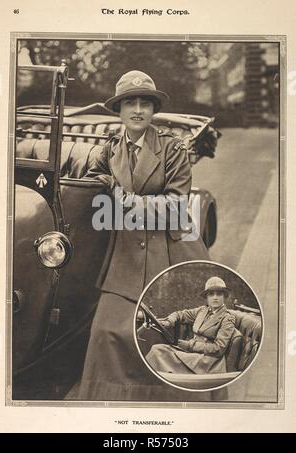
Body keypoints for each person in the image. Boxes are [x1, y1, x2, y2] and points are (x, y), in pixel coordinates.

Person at [78, 70, 213, 401]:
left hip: (171, 251)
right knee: (106, 332)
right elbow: (95, 190)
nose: (137, 110)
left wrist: (124, 200)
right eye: (129, 103)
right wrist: (102, 184)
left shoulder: (172, 149)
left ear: (153, 110)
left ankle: (174, 405)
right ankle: (112, 406)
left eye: (144, 103)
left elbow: (176, 208)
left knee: (174, 332)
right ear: (119, 110)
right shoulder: (108, 150)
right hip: (125, 255)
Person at [146, 277, 236, 375]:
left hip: (208, 361)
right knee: (157, 349)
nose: (215, 297)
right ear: (207, 297)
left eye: (219, 294)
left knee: (160, 355)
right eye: (211, 294)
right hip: (194, 353)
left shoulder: (227, 318)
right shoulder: (202, 311)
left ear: (224, 296)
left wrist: (189, 345)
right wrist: (169, 322)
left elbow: (219, 349)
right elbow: (180, 314)